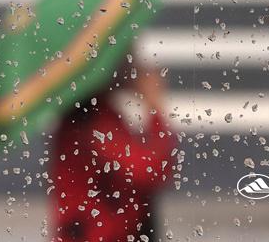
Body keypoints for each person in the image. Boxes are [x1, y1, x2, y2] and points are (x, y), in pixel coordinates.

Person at [51, 54, 176, 241]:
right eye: (125, 57)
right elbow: (150, 171)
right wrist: (154, 106)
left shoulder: (93, 113)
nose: (132, 66)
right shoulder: (94, 120)